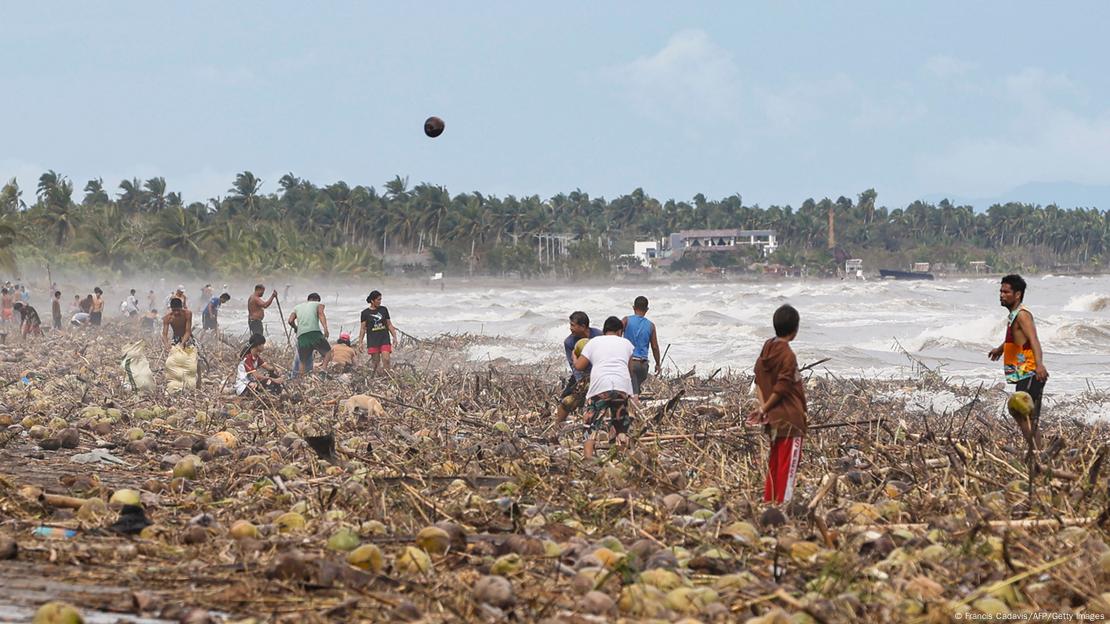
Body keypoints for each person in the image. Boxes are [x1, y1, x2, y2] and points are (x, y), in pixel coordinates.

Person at [747, 304, 808, 505]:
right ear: (795, 330)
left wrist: (764, 408)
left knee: (775, 462)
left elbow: (758, 380)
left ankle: (770, 501)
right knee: (787, 465)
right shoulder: (788, 355)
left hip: (774, 418)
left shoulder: (767, 349)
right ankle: (783, 504)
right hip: (790, 419)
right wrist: (764, 409)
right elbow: (782, 388)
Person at [988, 274, 1049, 451]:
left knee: (1023, 413)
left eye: (1006, 292)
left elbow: (1034, 340)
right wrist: (1000, 349)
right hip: (1023, 372)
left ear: (1017, 294)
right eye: (1001, 291)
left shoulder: (1023, 315)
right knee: (1024, 414)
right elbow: (1016, 337)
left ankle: (1036, 452)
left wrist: (1039, 365)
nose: (1001, 295)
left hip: (1030, 372)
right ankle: (1036, 451)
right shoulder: (1013, 315)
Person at [574, 316, 635, 459]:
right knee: (621, 424)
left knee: (591, 424)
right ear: (620, 331)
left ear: (604, 331)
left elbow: (579, 366)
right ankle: (621, 458)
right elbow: (630, 370)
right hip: (622, 386)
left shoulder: (593, 342)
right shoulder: (626, 343)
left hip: (600, 386)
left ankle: (588, 458)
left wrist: (574, 356)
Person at [555, 311, 602, 425]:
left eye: (573, 325)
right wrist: (580, 381)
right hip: (582, 373)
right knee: (566, 400)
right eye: (570, 325)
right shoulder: (569, 342)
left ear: (583, 326)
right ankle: (558, 425)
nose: (570, 328)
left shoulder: (599, 335)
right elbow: (574, 366)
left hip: (600, 372)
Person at [622, 296, 662, 396]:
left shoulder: (626, 320)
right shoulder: (651, 325)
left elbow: (616, 336)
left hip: (630, 363)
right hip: (643, 366)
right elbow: (655, 347)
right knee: (635, 389)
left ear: (633, 307)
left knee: (632, 393)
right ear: (647, 309)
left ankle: (634, 400)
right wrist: (658, 364)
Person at [287, 293, 332, 376]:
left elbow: (290, 321)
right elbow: (321, 314)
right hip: (314, 332)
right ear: (316, 300)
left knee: (303, 361)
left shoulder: (297, 307)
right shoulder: (318, 304)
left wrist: (296, 328)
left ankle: (301, 379)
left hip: (301, 335)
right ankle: (323, 370)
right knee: (328, 352)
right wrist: (325, 328)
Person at [358, 290, 399, 374]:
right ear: (372, 301)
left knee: (386, 359)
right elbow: (362, 329)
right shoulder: (365, 313)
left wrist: (394, 337)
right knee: (376, 364)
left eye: (381, 299)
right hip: (373, 340)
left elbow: (389, 324)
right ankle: (379, 376)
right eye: (378, 299)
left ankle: (387, 375)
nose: (380, 301)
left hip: (384, 338)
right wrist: (360, 342)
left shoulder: (383, 310)